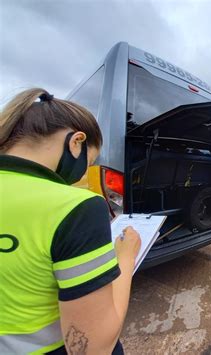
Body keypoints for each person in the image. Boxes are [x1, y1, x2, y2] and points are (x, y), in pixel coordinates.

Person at [0, 88, 141, 354]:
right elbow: (94, 348)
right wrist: (126, 256)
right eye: (88, 162)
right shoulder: (75, 207)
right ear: (76, 142)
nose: (80, 176)